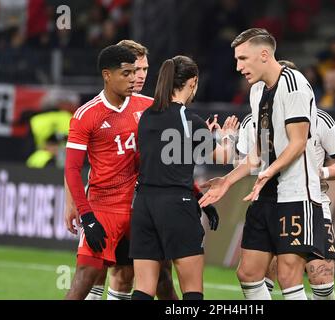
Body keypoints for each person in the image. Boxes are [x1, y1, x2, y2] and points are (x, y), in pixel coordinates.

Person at [199, 28, 325, 300]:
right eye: (236, 59)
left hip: (296, 194)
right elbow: (257, 152)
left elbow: (298, 142)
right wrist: (228, 181)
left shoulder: (295, 84)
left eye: (243, 58)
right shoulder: (257, 91)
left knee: (288, 275)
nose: (238, 66)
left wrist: (268, 172)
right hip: (265, 194)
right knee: (248, 273)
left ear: (264, 55)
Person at [130, 55, 235, 300]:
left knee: (143, 289)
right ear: (193, 82)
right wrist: (228, 135)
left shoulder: (147, 117)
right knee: (192, 291)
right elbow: (223, 157)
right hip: (177, 205)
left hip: (143, 206)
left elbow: (166, 157)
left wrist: (201, 137)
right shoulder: (190, 120)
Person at [82, 40, 179, 301]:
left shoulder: (152, 107)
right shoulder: (96, 110)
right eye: (134, 70)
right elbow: (77, 160)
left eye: (145, 69)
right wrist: (74, 204)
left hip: (145, 203)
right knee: (97, 271)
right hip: (107, 202)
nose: (141, 76)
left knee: (151, 274)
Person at [64, 45, 153, 300]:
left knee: (133, 277)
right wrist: (86, 214)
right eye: (127, 73)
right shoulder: (87, 115)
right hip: (103, 209)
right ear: (107, 75)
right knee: (85, 277)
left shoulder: (149, 107)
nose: (134, 78)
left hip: (140, 208)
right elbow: (71, 168)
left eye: (137, 72)